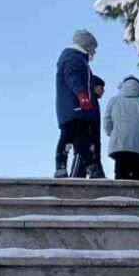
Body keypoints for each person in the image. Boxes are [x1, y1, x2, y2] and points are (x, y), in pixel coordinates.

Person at [55, 30, 104, 178]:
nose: (94, 52)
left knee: (85, 139)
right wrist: (82, 95)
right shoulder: (73, 58)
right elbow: (72, 77)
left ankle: (91, 166)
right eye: (93, 49)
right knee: (68, 136)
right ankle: (60, 165)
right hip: (73, 108)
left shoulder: (80, 60)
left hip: (81, 110)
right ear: (86, 46)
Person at [103, 76, 139, 181]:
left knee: (120, 179)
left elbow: (107, 121)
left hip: (119, 145)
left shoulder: (113, 101)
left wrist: (113, 134)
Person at [67, 75, 106, 177]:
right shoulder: (87, 101)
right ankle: (69, 189)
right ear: (94, 86)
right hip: (85, 139)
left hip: (93, 141)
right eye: (101, 87)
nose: (103, 91)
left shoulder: (95, 102)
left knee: (93, 168)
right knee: (80, 163)